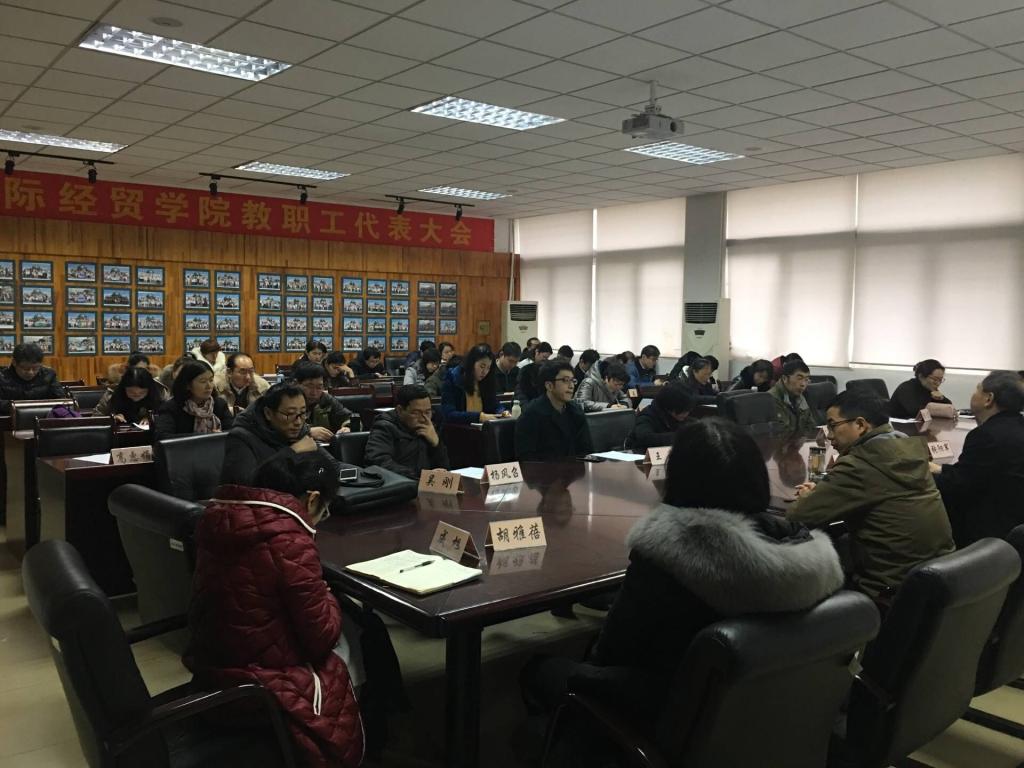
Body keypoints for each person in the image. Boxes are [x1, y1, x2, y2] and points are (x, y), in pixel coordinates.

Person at [521, 418, 843, 744]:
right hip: (776, 717)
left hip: (674, 710)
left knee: (540, 670)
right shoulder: (804, 551)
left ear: (678, 478)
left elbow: (611, 653)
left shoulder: (666, 553)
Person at [186, 451, 364, 768]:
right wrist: (328, 596)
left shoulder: (219, 519)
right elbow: (321, 638)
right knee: (353, 633)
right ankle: (366, 734)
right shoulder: (288, 540)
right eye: (325, 509)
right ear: (312, 500)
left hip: (213, 665)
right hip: (261, 685)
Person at [788, 391, 954, 601]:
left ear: (860, 424)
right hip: (940, 578)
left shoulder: (859, 464)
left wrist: (808, 496)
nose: (829, 435)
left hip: (888, 591)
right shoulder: (907, 450)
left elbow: (799, 516)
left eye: (832, 425)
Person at [932, 371, 1024, 546]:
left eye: (977, 389)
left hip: (988, 531)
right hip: (1016, 520)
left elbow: (959, 486)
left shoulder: (986, 435)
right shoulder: (1017, 426)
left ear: (988, 399)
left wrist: (922, 473)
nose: (973, 394)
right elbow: (978, 472)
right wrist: (942, 469)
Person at [221, 382, 321, 485]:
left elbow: (324, 469)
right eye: (290, 414)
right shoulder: (241, 438)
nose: (298, 422)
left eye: (302, 413)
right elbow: (246, 485)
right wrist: (292, 452)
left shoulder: (300, 433)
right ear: (268, 413)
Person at [365, 384, 450, 479]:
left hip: (428, 483)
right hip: (400, 484)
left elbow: (445, 468)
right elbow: (379, 462)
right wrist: (421, 475)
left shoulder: (429, 426)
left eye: (427, 412)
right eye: (416, 413)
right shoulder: (385, 427)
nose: (423, 419)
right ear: (400, 410)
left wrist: (436, 444)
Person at [514, 360, 593, 461]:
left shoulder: (576, 411)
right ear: (549, 385)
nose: (571, 386)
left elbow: (586, 449)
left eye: (573, 380)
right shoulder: (531, 415)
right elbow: (526, 458)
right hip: (543, 470)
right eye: (565, 380)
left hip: (574, 468)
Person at [152, 361, 234, 441]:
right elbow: (163, 437)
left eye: (211, 380)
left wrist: (220, 435)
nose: (209, 386)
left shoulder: (219, 404)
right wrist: (206, 437)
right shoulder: (171, 408)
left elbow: (233, 432)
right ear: (187, 385)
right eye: (203, 381)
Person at [441, 344, 509, 424]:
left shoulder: (486, 381)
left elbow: (494, 404)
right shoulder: (453, 378)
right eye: (482, 366)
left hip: (480, 428)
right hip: (457, 428)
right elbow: (449, 414)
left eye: (488, 368)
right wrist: (479, 417)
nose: (485, 372)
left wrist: (502, 411)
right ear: (471, 363)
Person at [626, 381, 695, 450]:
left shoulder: (683, 418)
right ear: (670, 405)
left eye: (688, 410)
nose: (686, 414)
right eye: (683, 410)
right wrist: (680, 437)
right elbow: (645, 438)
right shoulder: (647, 416)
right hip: (640, 453)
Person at [293, 362, 353, 440]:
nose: (314, 393)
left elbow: (349, 418)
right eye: (309, 386)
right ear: (296, 384)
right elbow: (280, 429)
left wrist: (347, 427)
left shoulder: (326, 399)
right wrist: (307, 432)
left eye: (319, 387)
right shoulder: (287, 400)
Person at [0, 342, 64, 410]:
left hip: (44, 415)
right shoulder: (2, 377)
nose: (30, 372)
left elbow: (60, 400)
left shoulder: (49, 375)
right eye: (25, 368)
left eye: (35, 368)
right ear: (14, 362)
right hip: (9, 416)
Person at [93, 366, 167, 424]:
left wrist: (153, 418)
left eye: (142, 392)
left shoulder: (159, 392)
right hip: (118, 435)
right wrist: (112, 419)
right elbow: (95, 419)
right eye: (131, 392)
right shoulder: (112, 394)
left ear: (149, 390)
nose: (137, 395)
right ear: (124, 388)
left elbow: (167, 416)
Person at [889, 359, 953, 418]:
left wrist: (942, 399)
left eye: (940, 379)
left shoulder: (929, 388)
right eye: (935, 379)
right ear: (921, 376)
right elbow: (917, 412)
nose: (938, 383)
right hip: (899, 425)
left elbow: (950, 408)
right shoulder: (906, 388)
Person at [769, 359, 818, 433]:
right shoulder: (772, 399)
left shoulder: (799, 396)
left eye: (806, 379)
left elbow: (811, 425)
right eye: (799, 378)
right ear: (785, 379)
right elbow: (781, 432)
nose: (803, 384)